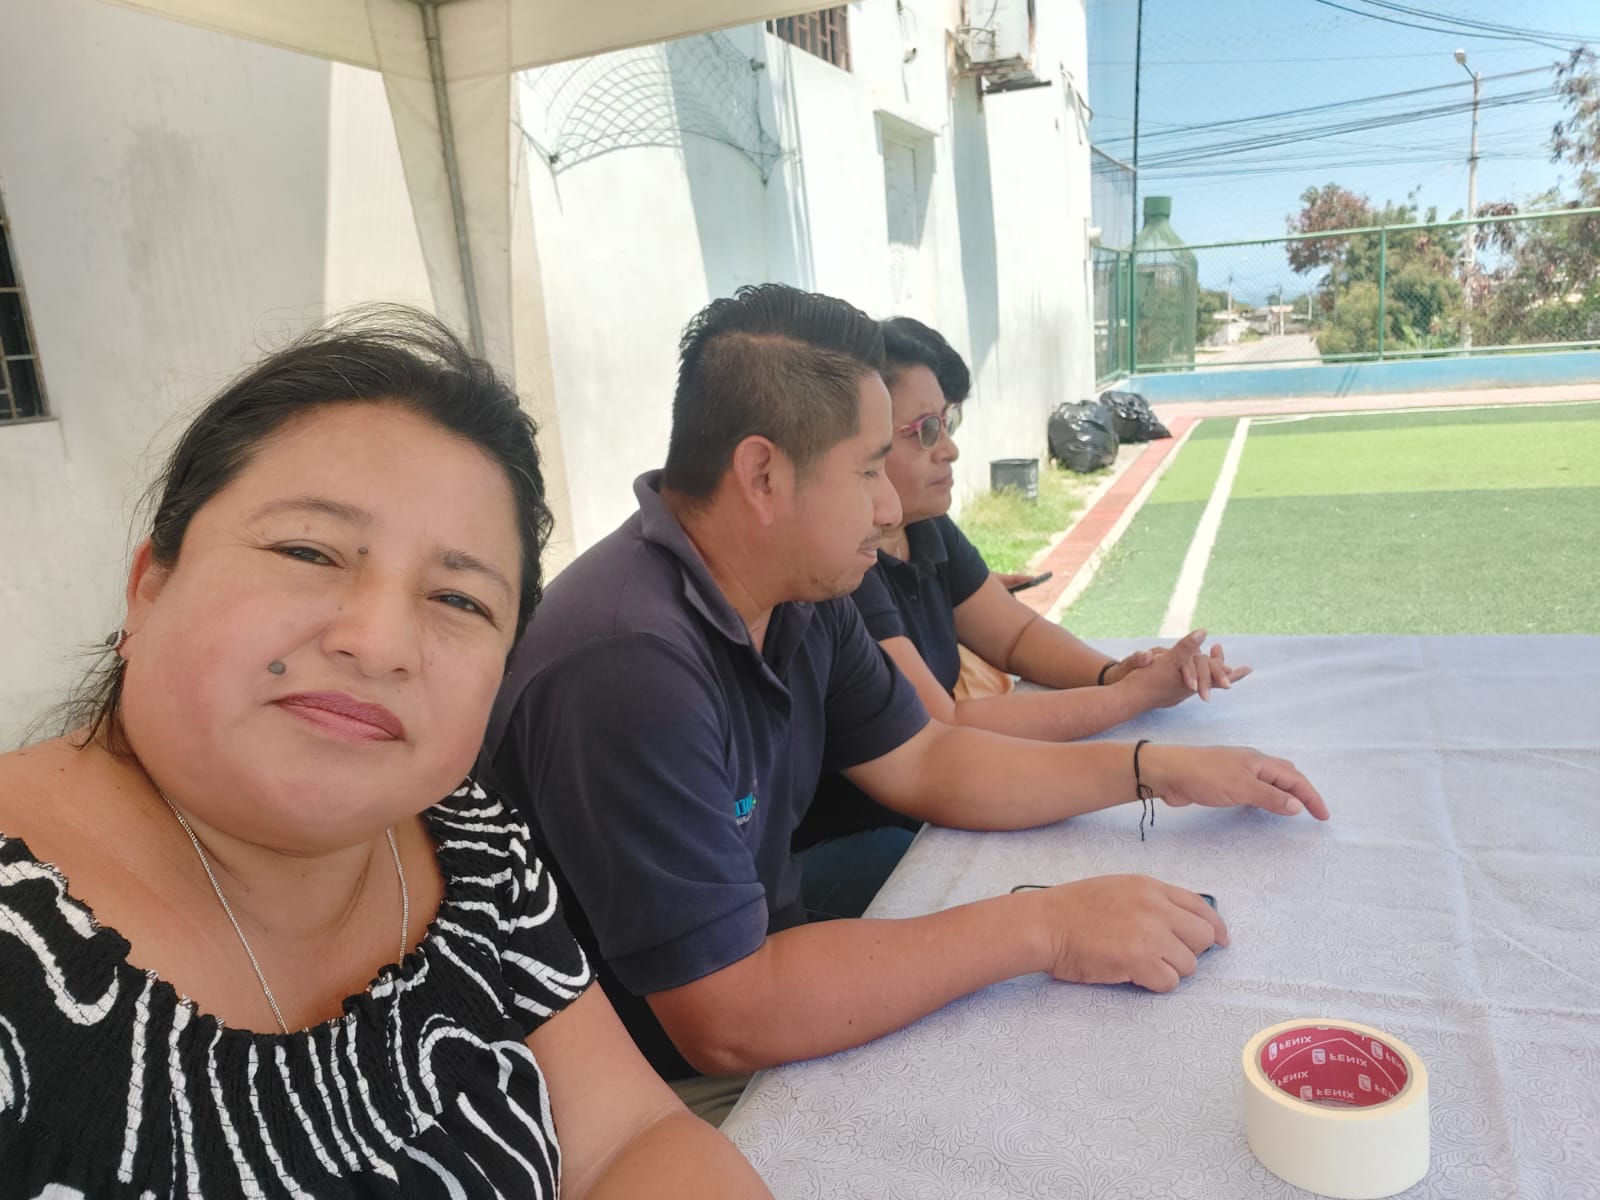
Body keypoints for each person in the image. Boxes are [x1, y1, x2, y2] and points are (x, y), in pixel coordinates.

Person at [481, 284, 1328, 1127]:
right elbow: (727, 1017)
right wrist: (1049, 927)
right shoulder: (629, 666)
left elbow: (928, 757)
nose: (889, 508)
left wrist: (1154, 770)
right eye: (866, 471)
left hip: (757, 948)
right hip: (625, 1080)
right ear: (763, 475)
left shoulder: (792, 586)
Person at [0, 309, 770, 1197]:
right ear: (149, 586)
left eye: (459, 600)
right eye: (308, 550)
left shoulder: (470, 842)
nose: (379, 643)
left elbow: (628, 1137)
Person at [795, 317, 1251, 867]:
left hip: (924, 803)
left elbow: (1016, 636)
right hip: (864, 834)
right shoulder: (842, 573)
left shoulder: (926, 529)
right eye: (925, 432)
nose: (951, 450)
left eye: (949, 422)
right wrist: (1133, 705)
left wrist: (1115, 675)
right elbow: (941, 730)